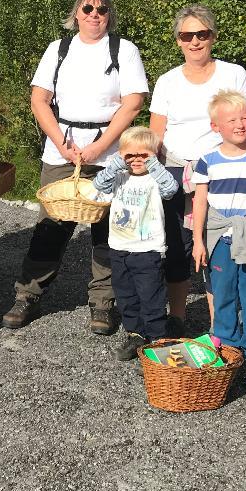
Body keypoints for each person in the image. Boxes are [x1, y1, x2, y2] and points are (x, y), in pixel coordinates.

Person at [1, 0, 149, 334]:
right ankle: (28, 294)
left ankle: (103, 303)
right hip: (62, 150)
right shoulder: (59, 49)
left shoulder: (123, 50)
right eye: (88, 9)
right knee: (51, 225)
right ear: (77, 13)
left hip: (109, 152)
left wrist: (101, 146)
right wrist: (61, 143)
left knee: (108, 229)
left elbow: (133, 103)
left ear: (109, 15)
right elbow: (39, 100)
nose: (94, 15)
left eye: (102, 10)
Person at [148, 5, 246, 337]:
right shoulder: (167, 81)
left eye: (201, 34)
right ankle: (177, 318)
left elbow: (244, 126)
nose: (194, 41)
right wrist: (148, 173)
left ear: (213, 36)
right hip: (174, 171)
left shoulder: (233, 74)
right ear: (178, 41)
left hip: (221, 172)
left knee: (217, 246)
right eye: (187, 35)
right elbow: (156, 134)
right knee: (177, 247)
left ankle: (219, 327)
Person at [190, 91, 246, 388]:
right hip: (219, 239)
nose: (240, 124)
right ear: (215, 126)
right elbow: (200, 203)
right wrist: (198, 241)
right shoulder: (207, 160)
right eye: (232, 120)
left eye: (245, 118)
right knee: (223, 294)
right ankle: (227, 345)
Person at [92, 127, 179, 362]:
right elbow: (98, 186)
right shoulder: (119, 177)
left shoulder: (156, 179)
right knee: (126, 296)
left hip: (148, 250)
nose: (137, 160)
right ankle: (135, 334)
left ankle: (157, 341)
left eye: (144, 155)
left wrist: (154, 165)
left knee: (152, 297)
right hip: (119, 247)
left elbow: (171, 189)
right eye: (130, 155)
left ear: (154, 156)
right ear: (121, 155)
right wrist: (116, 164)